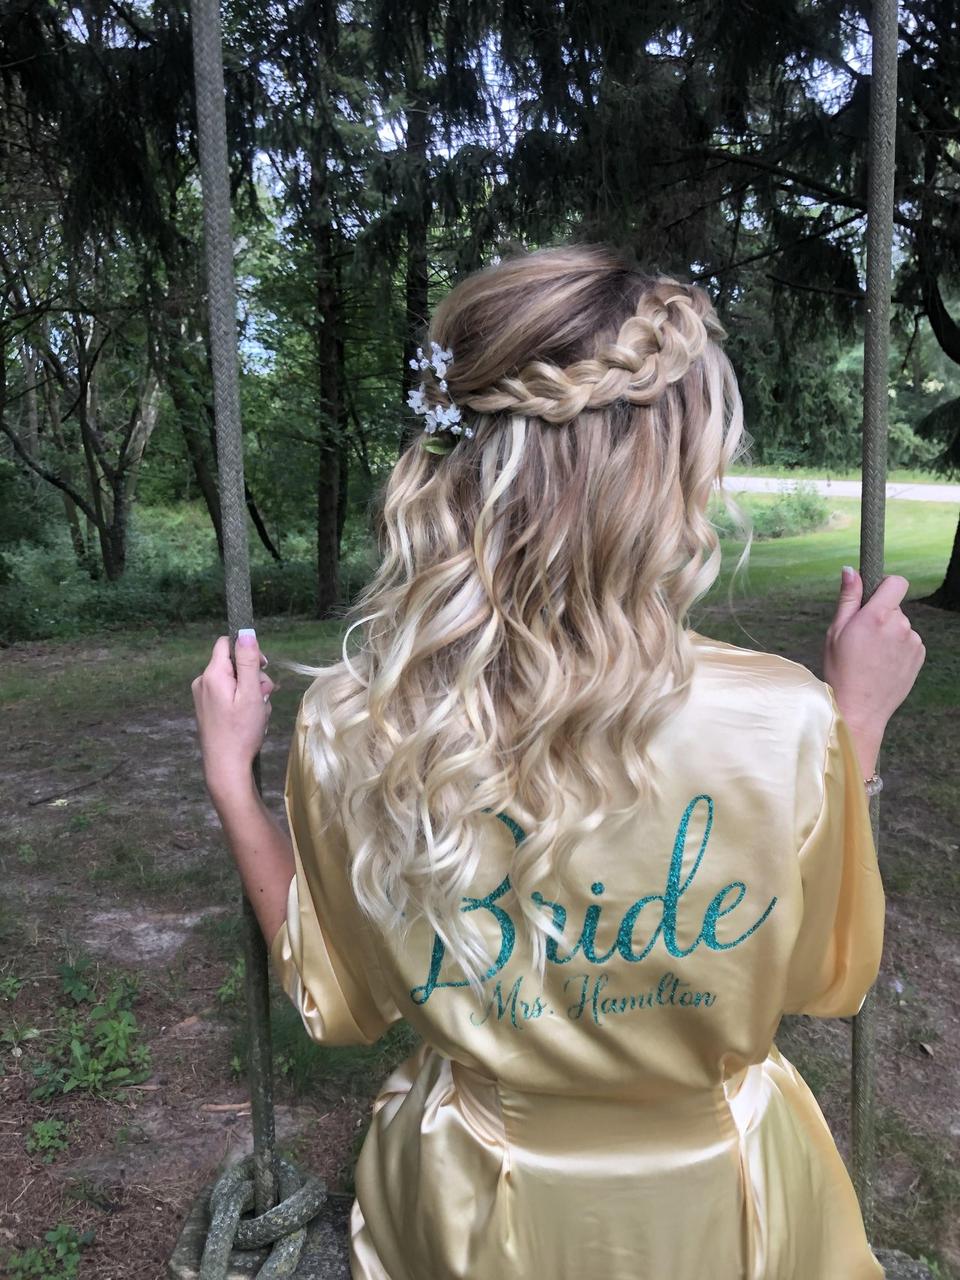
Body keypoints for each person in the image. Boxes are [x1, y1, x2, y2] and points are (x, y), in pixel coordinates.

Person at [192, 244, 925, 1280]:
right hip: (725, 1203)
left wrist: (233, 782)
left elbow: (339, 1003)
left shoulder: (358, 725)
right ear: (673, 475)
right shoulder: (787, 724)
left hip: (473, 1210)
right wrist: (858, 724)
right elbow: (824, 977)